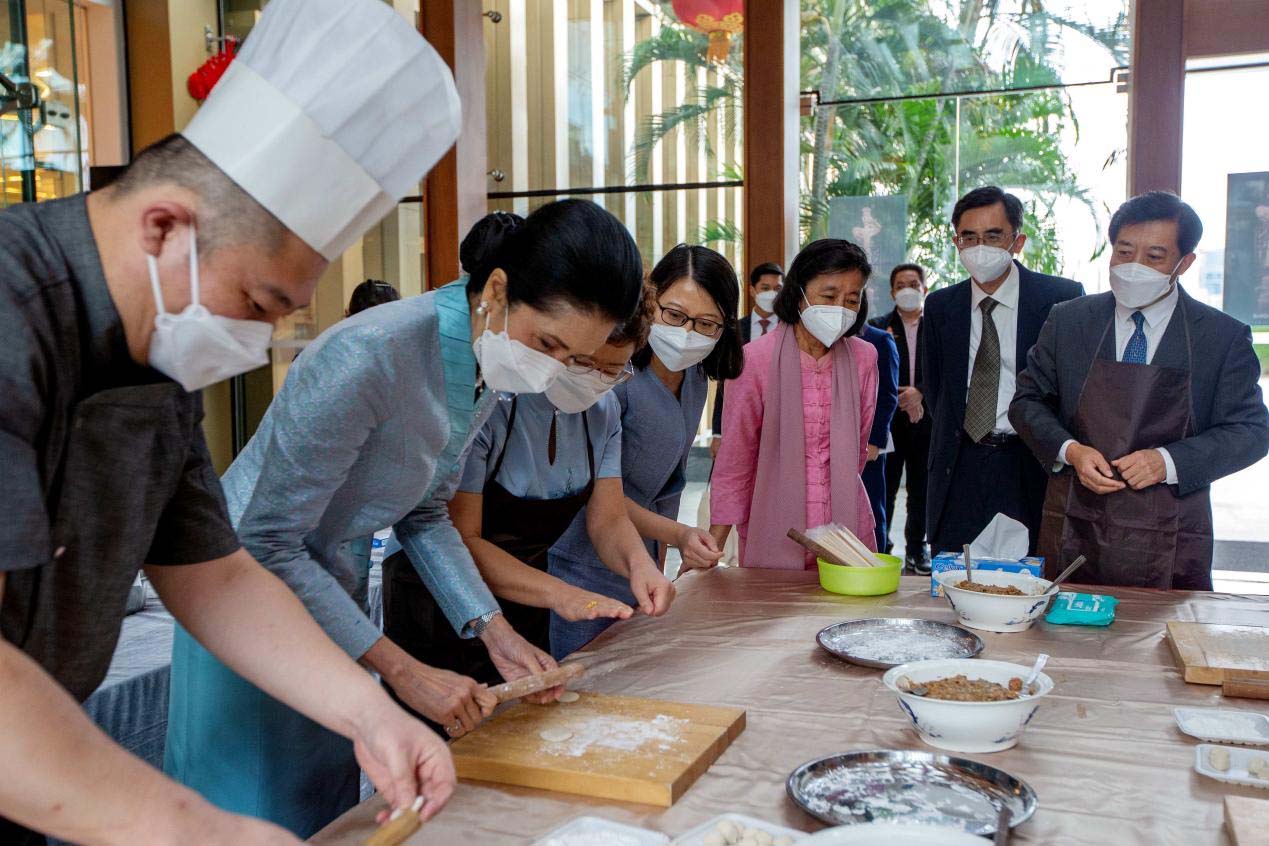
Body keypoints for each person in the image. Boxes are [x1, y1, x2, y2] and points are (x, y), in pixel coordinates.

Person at [0, 0, 462, 843]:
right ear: (164, 226)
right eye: (256, 302)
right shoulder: (11, 308)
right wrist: (204, 830)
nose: (253, 343)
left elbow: (214, 574)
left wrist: (369, 710)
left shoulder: (155, 361)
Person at [164, 200, 644, 835]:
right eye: (548, 345)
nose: (552, 369)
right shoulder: (370, 352)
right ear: (497, 290)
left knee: (330, 807)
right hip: (247, 593)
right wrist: (401, 669)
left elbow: (423, 511)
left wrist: (494, 632)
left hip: (327, 582)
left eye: (572, 358)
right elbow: (267, 540)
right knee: (254, 811)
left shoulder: (481, 361)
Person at [1011, 191, 1269, 589]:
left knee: (1163, 625)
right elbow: (1027, 401)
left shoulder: (1220, 336)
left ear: (1185, 263)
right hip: (1077, 518)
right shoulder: (1070, 321)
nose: (1134, 267)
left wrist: (1167, 461)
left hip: (1171, 527)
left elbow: (1252, 431)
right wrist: (1070, 450)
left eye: (1154, 257)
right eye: (1124, 252)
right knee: (1068, 621)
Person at [448, 285, 673, 676]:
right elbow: (462, 539)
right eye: (585, 362)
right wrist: (563, 595)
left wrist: (641, 565)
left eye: (612, 370)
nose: (595, 378)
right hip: (448, 600)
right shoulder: (493, 401)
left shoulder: (604, 412)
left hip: (531, 603)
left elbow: (609, 520)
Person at [548, 244, 742, 658]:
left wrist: (671, 544)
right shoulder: (612, 376)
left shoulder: (695, 378)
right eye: (674, 315)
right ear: (651, 301)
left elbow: (670, 480)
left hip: (649, 561)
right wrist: (678, 534)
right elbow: (600, 496)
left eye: (706, 324)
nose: (687, 333)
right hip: (586, 560)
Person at [921, 186, 1084, 556]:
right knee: (956, 573)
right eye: (969, 237)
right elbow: (936, 389)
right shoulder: (941, 305)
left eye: (993, 236)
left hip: (1031, 461)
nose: (980, 247)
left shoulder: (1061, 298)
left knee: (1031, 572)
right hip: (959, 464)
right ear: (956, 242)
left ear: (1017, 241)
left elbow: (1074, 388)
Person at [709, 239, 879, 568]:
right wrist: (713, 545)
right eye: (828, 296)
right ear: (799, 293)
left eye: (852, 300)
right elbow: (736, 460)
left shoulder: (864, 358)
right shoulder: (754, 360)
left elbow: (857, 449)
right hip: (773, 526)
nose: (840, 309)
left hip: (848, 530)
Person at [870, 263, 934, 574]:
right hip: (889, 423)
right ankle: (882, 547)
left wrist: (921, 392)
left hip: (927, 420)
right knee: (886, 487)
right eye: (900, 285)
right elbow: (871, 373)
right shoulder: (878, 327)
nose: (907, 290)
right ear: (892, 292)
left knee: (921, 489)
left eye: (913, 284)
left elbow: (947, 369)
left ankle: (917, 549)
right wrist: (898, 398)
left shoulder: (938, 326)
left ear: (924, 288)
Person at [710, 261, 783, 456]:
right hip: (739, 419)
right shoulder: (734, 330)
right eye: (765, 288)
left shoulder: (791, 332)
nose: (772, 294)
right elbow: (724, 383)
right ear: (752, 290)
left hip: (779, 423)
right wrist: (718, 433)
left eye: (777, 288)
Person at [859, 322, 900, 552]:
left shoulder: (879, 340)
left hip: (868, 443)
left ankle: (876, 557)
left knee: (871, 507)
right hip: (833, 440)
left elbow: (888, 395)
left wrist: (874, 440)